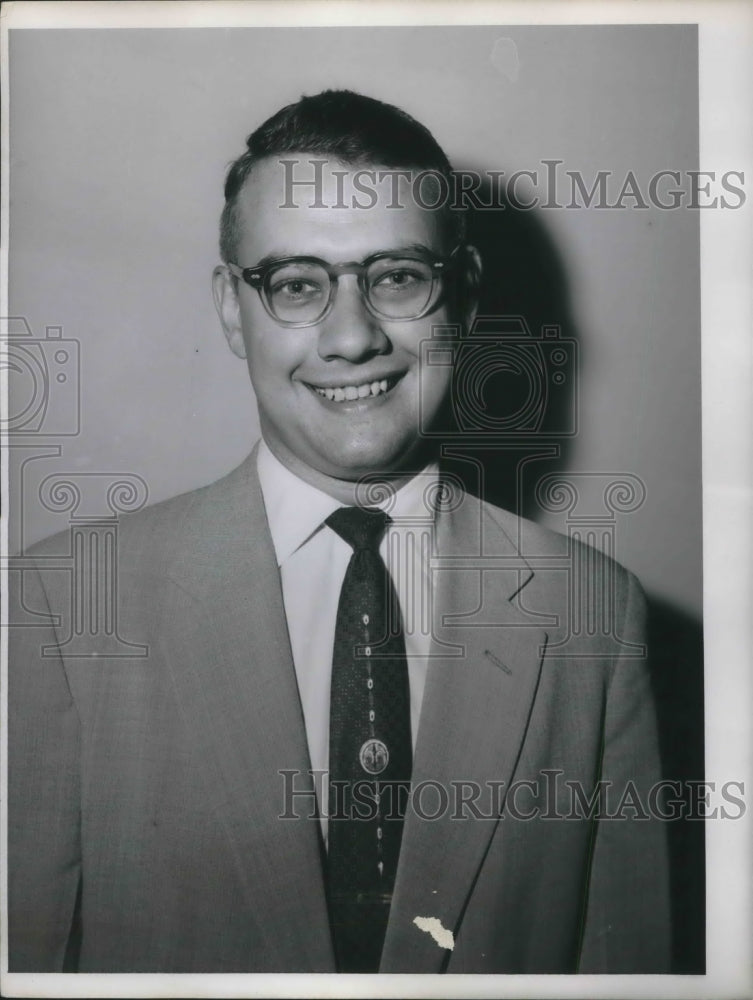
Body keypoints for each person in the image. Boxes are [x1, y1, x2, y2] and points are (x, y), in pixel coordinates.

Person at [8, 89, 670, 974]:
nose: (350, 337)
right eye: (297, 285)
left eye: (396, 276)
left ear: (462, 296)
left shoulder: (594, 613)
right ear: (230, 310)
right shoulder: (59, 606)